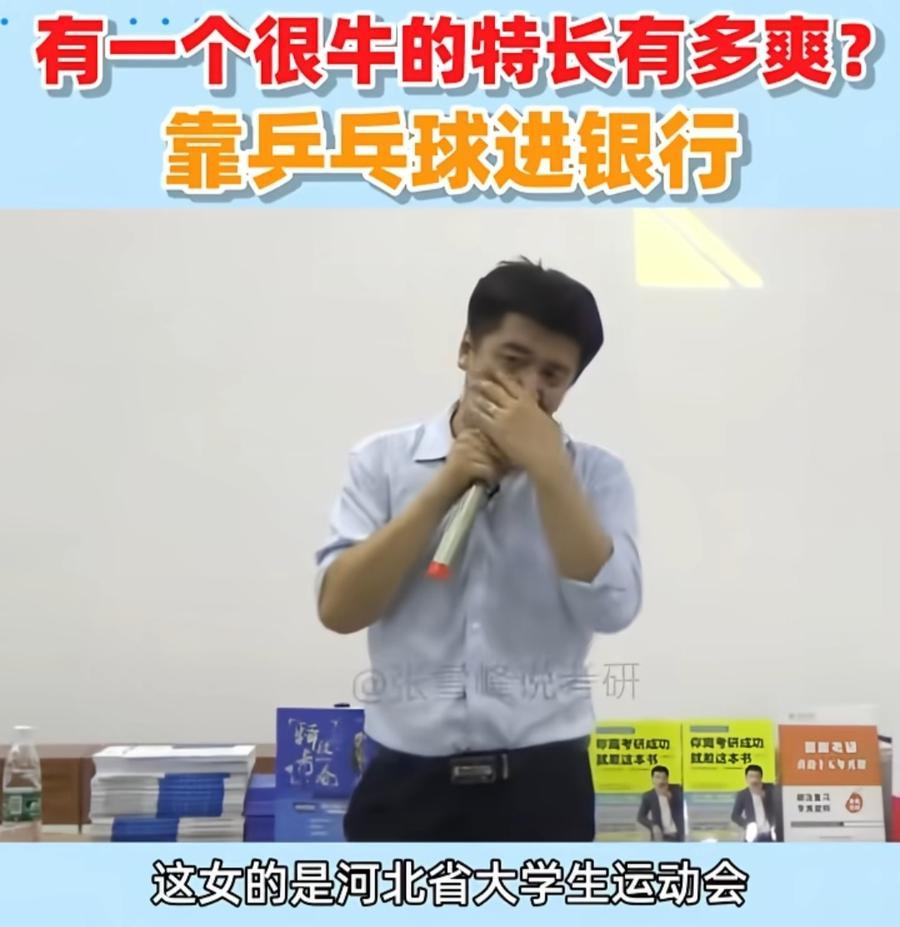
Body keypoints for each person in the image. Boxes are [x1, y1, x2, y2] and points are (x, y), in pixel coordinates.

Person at [315, 258, 643, 842]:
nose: (528, 390)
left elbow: (613, 609)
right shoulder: (381, 462)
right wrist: (443, 486)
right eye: (512, 361)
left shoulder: (596, 476)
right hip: (404, 782)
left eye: (553, 375)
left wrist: (550, 471)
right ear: (467, 348)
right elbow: (339, 609)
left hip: (544, 782)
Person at [637, 766, 685, 841]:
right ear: (652, 779)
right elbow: (640, 817)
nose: (661, 781)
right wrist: (653, 826)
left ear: (667, 779)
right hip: (660, 837)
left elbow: (685, 805)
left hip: (678, 837)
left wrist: (670, 797)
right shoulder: (648, 796)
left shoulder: (677, 790)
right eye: (657, 777)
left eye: (664, 778)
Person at [731, 764, 778, 842]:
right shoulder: (742, 794)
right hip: (753, 835)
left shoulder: (770, 789)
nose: (754, 780)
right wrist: (748, 825)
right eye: (751, 776)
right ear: (746, 779)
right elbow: (734, 815)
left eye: (756, 777)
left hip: (770, 834)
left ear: (761, 778)